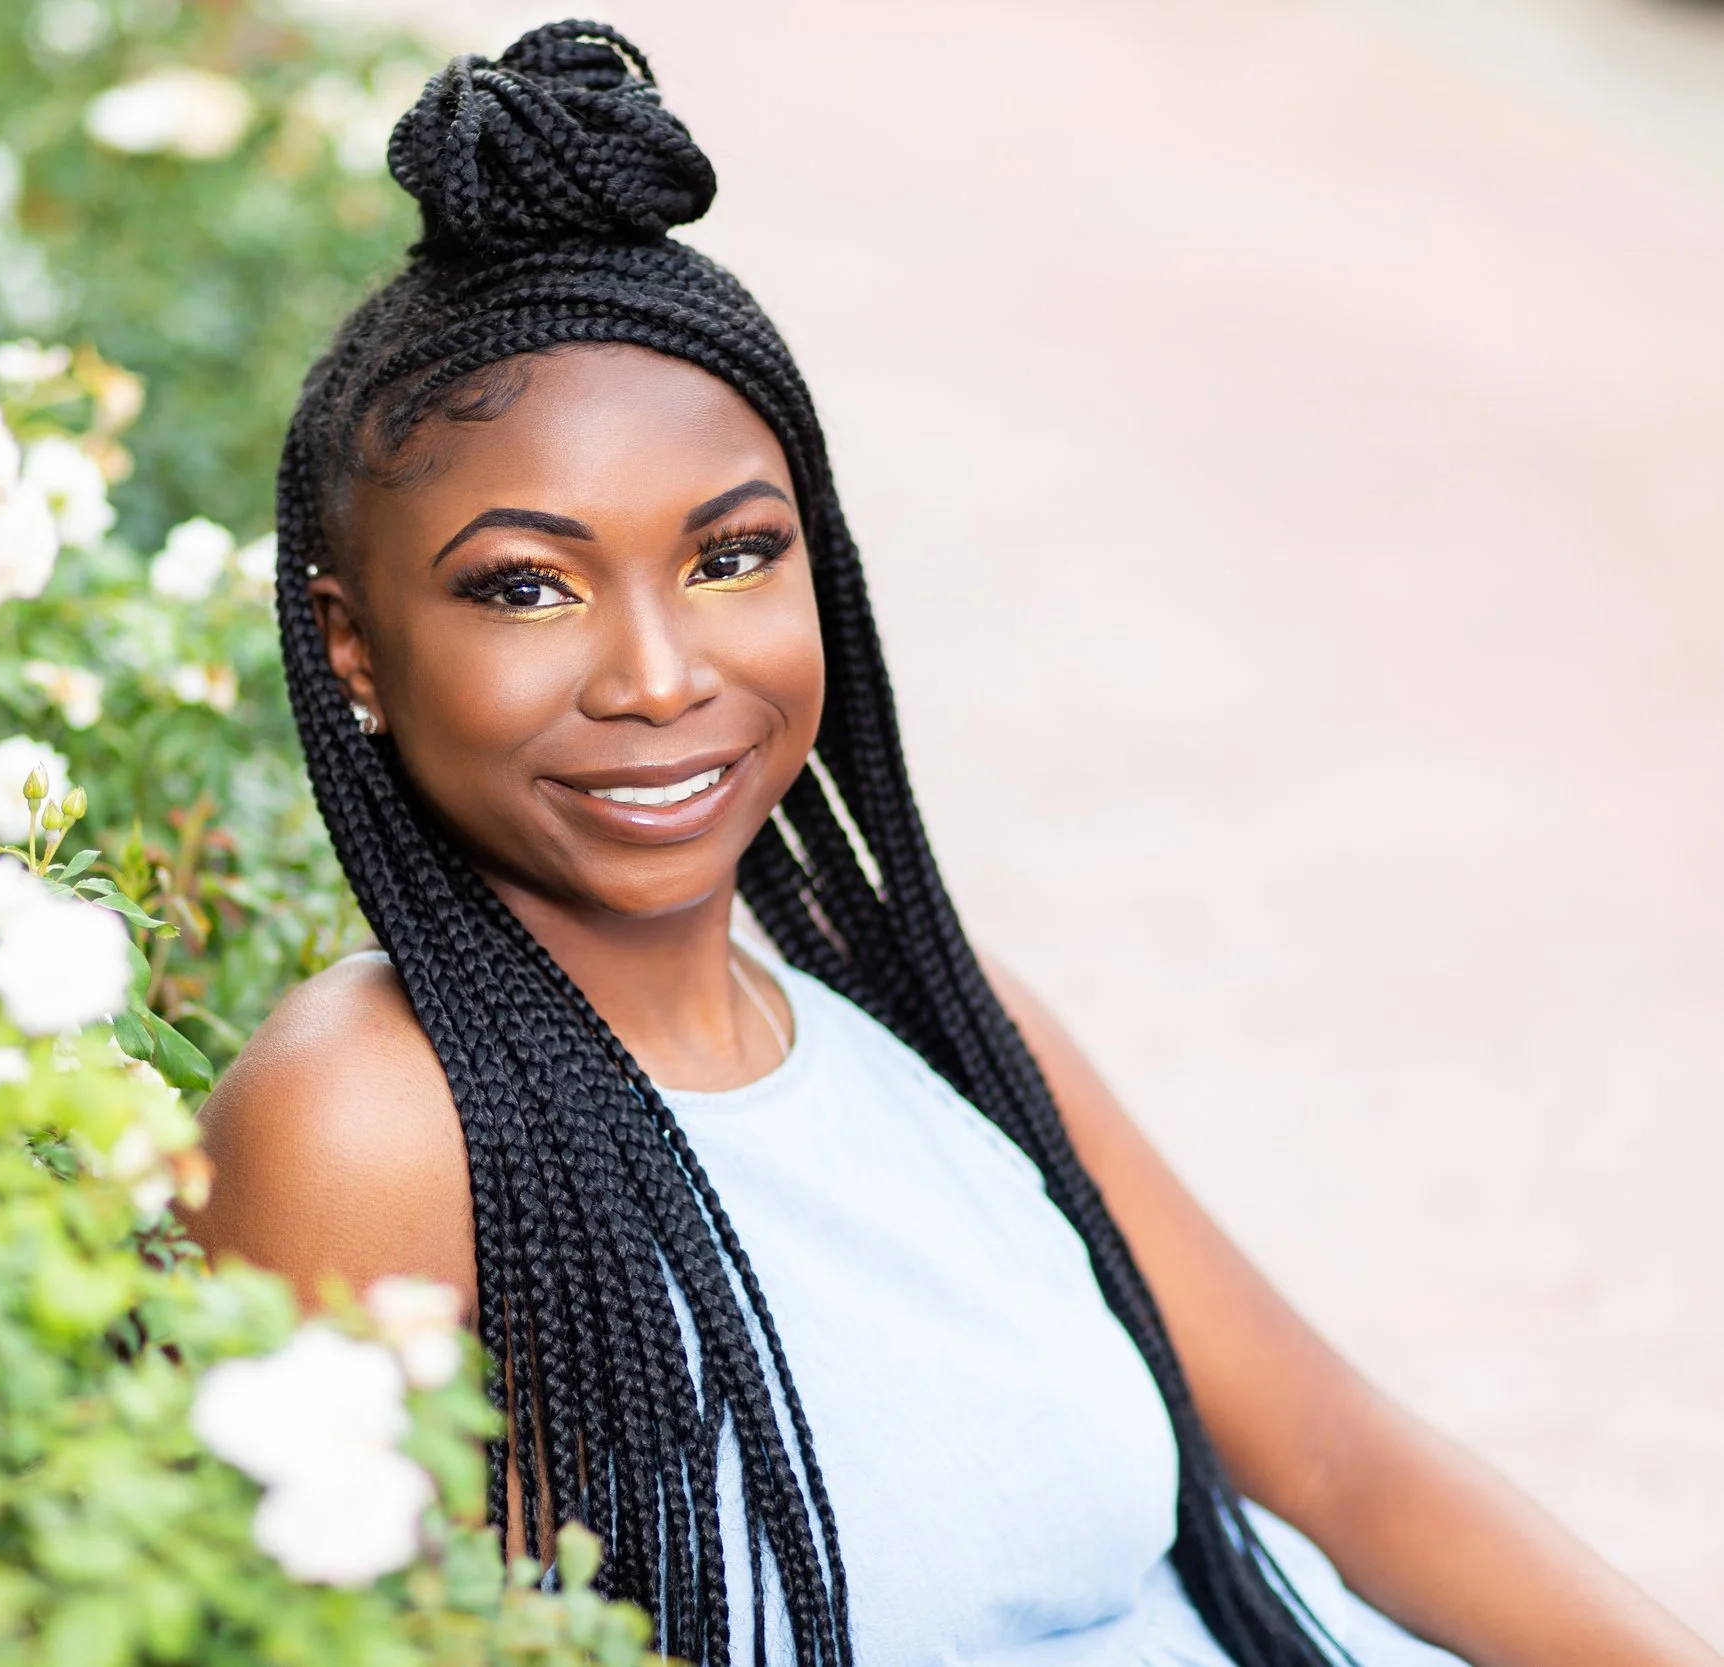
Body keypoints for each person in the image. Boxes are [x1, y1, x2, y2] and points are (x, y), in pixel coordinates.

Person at [185, 22, 1720, 1667]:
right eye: (527, 586)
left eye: (730, 557)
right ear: (351, 645)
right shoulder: (366, 1125)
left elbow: (1341, 1462)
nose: (657, 675)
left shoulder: (929, 1008)